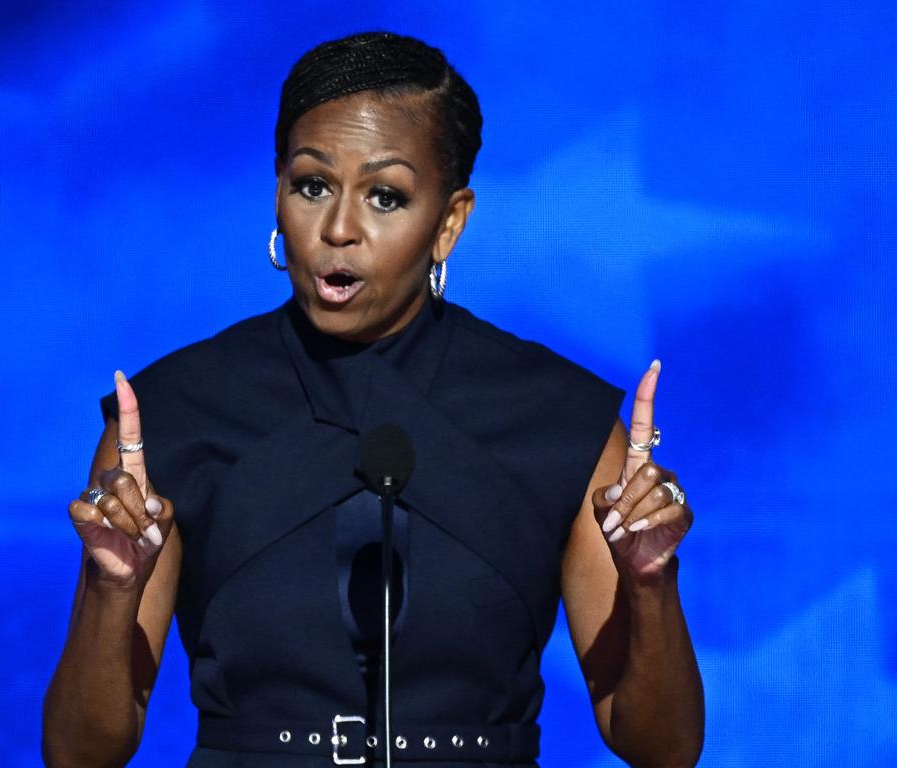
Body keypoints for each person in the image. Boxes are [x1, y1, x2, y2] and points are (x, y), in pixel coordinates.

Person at [42, 31, 704, 768]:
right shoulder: (172, 416)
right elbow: (80, 754)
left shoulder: (559, 421)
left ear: (449, 223)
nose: (338, 230)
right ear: (277, 190)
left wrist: (652, 586)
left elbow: (663, 748)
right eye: (311, 185)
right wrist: (111, 590)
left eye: (385, 196)